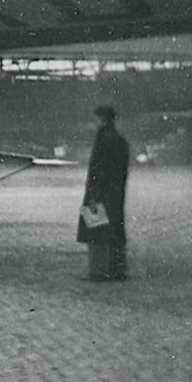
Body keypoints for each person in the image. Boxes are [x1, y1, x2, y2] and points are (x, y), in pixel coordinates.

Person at [77, 105, 130, 280]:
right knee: (115, 230)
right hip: (116, 193)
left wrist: (92, 195)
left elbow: (96, 171)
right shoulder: (120, 140)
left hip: (98, 192)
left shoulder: (102, 140)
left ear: (101, 119)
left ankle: (97, 271)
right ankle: (118, 270)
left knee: (95, 231)